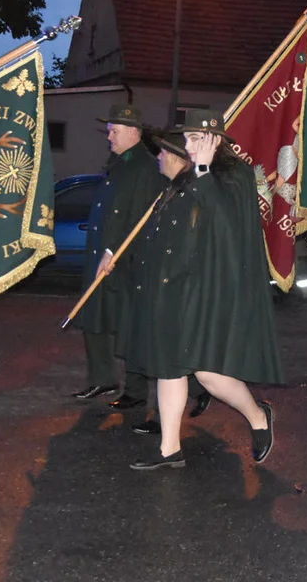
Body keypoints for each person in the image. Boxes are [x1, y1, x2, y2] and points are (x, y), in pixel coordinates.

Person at [124, 110, 283, 470]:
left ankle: (259, 416)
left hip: (209, 292)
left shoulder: (233, 175)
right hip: (172, 290)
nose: (190, 146)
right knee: (170, 367)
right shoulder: (184, 178)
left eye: (198, 139)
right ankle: (169, 449)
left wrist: (204, 171)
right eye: (189, 140)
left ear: (217, 142)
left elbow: (226, 226)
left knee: (210, 375)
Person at [117, 131, 212, 436]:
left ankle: (167, 421)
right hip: (154, 284)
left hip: (176, 290)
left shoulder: (192, 192)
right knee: (166, 358)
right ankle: (173, 424)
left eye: (161, 153)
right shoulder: (168, 189)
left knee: (171, 360)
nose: (157, 157)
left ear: (172, 156)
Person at [71, 103, 165, 409]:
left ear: (134, 132)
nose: (108, 136)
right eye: (109, 130)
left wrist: (113, 250)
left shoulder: (147, 166)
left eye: (114, 131)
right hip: (102, 254)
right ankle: (102, 378)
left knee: (129, 325)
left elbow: (138, 215)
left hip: (127, 262)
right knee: (93, 316)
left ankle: (136, 391)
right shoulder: (118, 162)